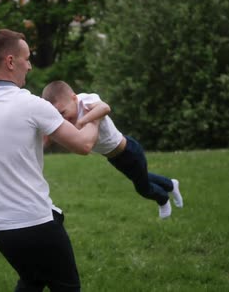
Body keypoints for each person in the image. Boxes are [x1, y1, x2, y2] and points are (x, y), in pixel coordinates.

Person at [0, 29, 101, 292]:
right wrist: (95, 113)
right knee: (67, 286)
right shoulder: (31, 104)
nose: (30, 65)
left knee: (33, 279)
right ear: (10, 61)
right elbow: (84, 144)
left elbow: (22, 144)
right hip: (32, 224)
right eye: (26, 58)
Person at [41, 80, 184, 219]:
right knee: (140, 176)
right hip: (114, 158)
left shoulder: (85, 101)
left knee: (143, 188)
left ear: (74, 98)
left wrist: (82, 121)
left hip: (129, 151)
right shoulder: (67, 117)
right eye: (57, 115)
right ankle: (171, 184)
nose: (62, 118)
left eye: (63, 112)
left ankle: (163, 199)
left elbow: (105, 108)